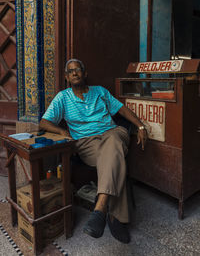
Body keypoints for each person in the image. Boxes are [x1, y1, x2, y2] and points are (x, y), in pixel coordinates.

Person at [39, 59, 147, 244]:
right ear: (66, 77)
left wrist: (140, 126)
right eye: (70, 71)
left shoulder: (100, 91)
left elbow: (121, 110)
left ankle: (100, 209)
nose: (74, 73)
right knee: (114, 158)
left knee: (113, 143)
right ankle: (115, 218)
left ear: (85, 73)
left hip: (112, 133)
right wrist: (61, 131)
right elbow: (44, 122)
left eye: (78, 70)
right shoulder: (62, 98)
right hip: (87, 143)